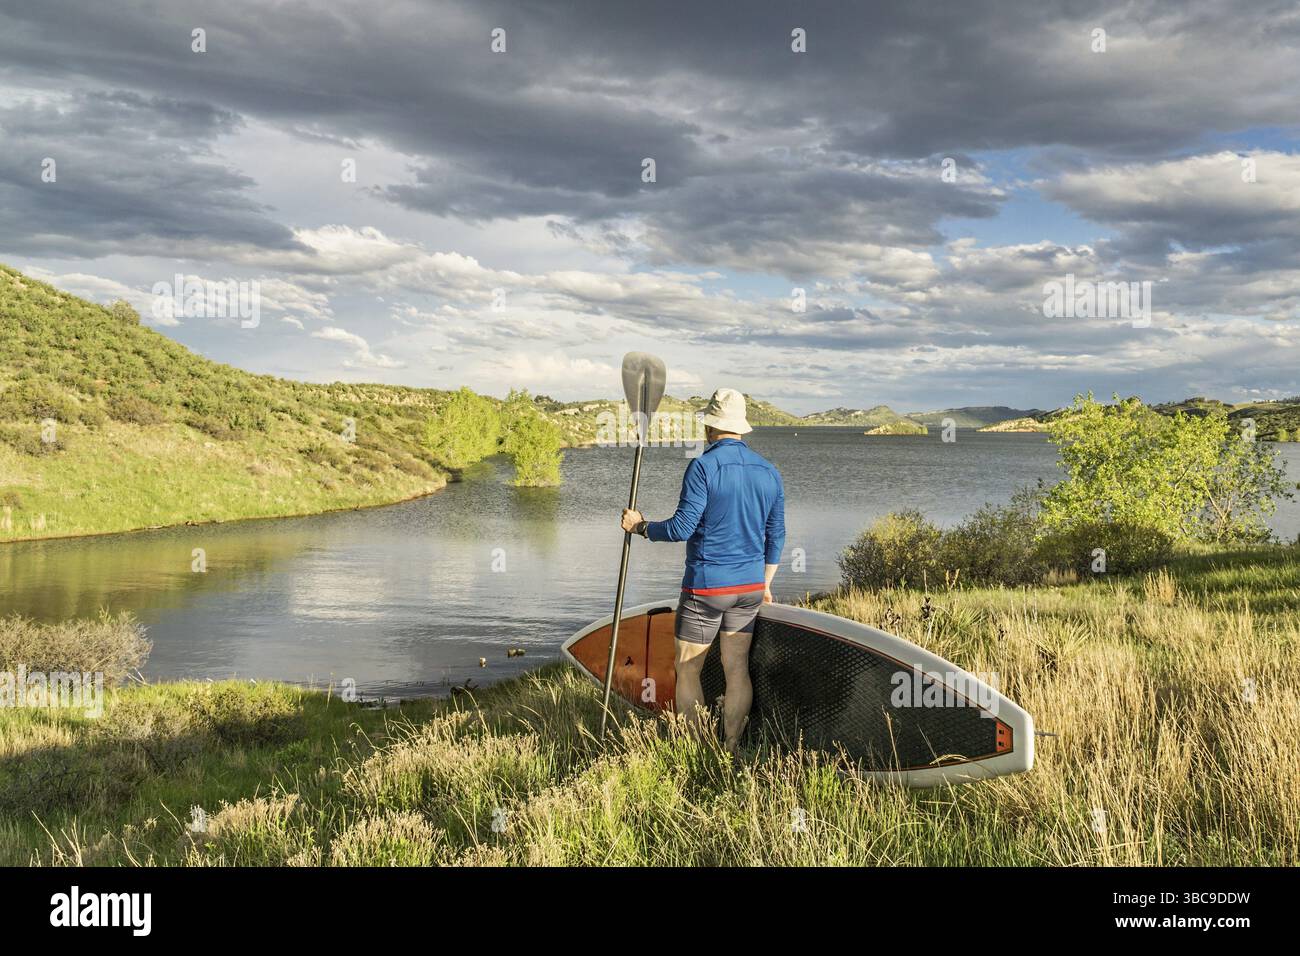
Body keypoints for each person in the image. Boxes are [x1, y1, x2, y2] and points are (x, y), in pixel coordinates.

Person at [620, 387, 785, 753]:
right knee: (736, 669)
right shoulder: (769, 472)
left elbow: (681, 528)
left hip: (706, 590)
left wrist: (641, 526)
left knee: (689, 669)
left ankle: (696, 750)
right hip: (750, 589)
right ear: (740, 428)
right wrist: (766, 582)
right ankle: (731, 747)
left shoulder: (703, 466)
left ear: (710, 427)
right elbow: (777, 536)